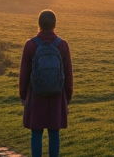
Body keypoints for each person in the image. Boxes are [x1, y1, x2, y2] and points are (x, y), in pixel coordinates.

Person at [19, 9, 74, 157]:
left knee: (36, 133)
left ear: (39, 24)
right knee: (54, 134)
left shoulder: (30, 45)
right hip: (57, 95)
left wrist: (23, 95)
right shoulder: (62, 45)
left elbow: (24, 74)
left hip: (36, 95)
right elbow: (68, 74)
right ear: (55, 24)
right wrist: (66, 97)